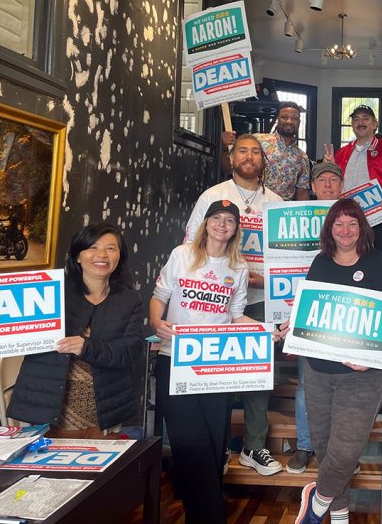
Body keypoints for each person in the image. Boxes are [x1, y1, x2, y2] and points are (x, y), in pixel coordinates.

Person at [151, 199, 284, 523]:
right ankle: (212, 516)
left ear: (236, 228)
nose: (222, 224)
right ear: (206, 222)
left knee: (212, 445)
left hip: (216, 366)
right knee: (189, 442)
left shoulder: (237, 268)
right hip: (175, 360)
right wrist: (157, 323)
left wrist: (266, 330)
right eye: (217, 218)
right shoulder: (181, 256)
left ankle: (202, 513)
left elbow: (236, 316)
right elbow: (159, 298)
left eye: (229, 220)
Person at [295, 199, 382, 524]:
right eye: (339, 224)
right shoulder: (320, 262)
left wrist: (374, 358)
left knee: (345, 451)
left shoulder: (378, 263)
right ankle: (340, 513)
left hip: (362, 376)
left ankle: (316, 504)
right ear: (330, 229)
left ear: (362, 228)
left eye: (352, 223)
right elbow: (312, 312)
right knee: (325, 447)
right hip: (319, 370)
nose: (345, 230)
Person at [186, 133, 284, 476]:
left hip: (261, 303)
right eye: (242, 150)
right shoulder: (213, 196)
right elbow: (191, 247)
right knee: (221, 378)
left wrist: (264, 280)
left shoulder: (277, 201)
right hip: (216, 303)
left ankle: (254, 448)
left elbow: (286, 258)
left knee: (259, 378)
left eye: (256, 152)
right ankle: (220, 447)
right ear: (231, 158)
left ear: (263, 161)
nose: (249, 156)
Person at [8, 223, 144, 437]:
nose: (102, 255)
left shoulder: (129, 300)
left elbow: (131, 350)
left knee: (102, 468)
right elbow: (17, 330)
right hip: (49, 409)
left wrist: (87, 347)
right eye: (92, 247)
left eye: (110, 248)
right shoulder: (50, 294)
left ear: (120, 256)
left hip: (105, 411)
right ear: (78, 256)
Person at [288, 161, 345, 475]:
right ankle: (306, 445)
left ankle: (338, 452)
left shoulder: (352, 219)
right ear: (311, 185)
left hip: (343, 314)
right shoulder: (296, 218)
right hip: (307, 313)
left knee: (345, 386)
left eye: (332, 179)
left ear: (341, 185)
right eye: (321, 179)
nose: (327, 184)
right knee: (305, 386)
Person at [323, 104, 382, 261]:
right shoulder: (341, 153)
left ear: (375, 125)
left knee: (381, 263)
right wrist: (331, 167)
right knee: (346, 260)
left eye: (365, 118)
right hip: (347, 221)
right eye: (356, 119)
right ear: (352, 125)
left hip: (380, 220)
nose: (360, 122)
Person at [221, 101, 311, 201]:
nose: (289, 121)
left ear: (299, 122)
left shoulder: (302, 157)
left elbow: (302, 193)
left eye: (294, 118)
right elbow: (228, 168)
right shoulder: (257, 141)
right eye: (284, 117)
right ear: (278, 119)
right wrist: (226, 146)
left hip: (281, 213)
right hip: (251, 206)